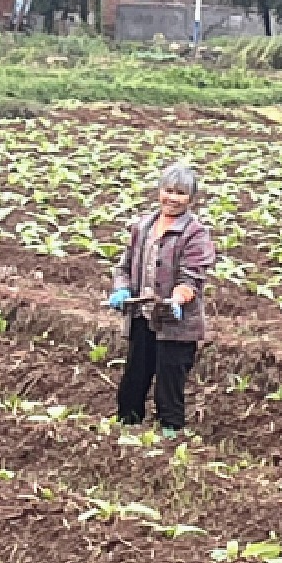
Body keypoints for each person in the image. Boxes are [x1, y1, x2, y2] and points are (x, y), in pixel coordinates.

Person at [106, 161, 215, 434]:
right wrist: (121, 288)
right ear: (158, 191)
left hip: (175, 321)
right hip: (142, 315)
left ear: (191, 199)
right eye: (168, 190)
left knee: (170, 378)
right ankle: (127, 425)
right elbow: (124, 266)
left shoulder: (195, 234)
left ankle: (171, 432)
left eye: (180, 193)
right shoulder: (142, 226)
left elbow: (192, 278)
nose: (172, 198)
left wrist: (177, 300)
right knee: (135, 375)